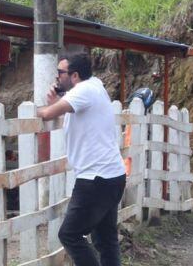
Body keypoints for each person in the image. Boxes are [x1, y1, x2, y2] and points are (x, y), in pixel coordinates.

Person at [37, 55, 127, 266]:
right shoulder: (95, 86)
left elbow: (47, 114)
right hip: (113, 175)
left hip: (95, 179)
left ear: (75, 75)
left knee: (69, 234)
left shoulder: (83, 91)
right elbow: (72, 109)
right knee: (106, 240)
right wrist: (58, 101)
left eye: (60, 73)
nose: (57, 77)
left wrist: (40, 109)